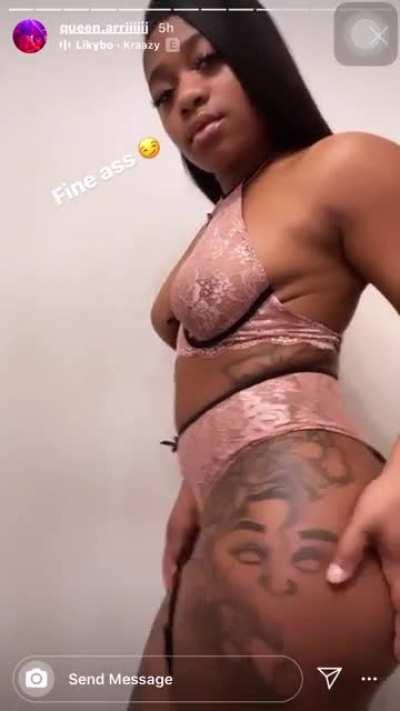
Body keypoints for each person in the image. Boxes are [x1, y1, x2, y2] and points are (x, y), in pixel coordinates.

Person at [128, 1, 399, 708]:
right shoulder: (217, 222)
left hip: (297, 522)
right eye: (162, 93)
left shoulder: (340, 165)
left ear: (260, 58)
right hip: (222, 523)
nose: (186, 96)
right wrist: (196, 483)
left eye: (208, 60)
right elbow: (230, 374)